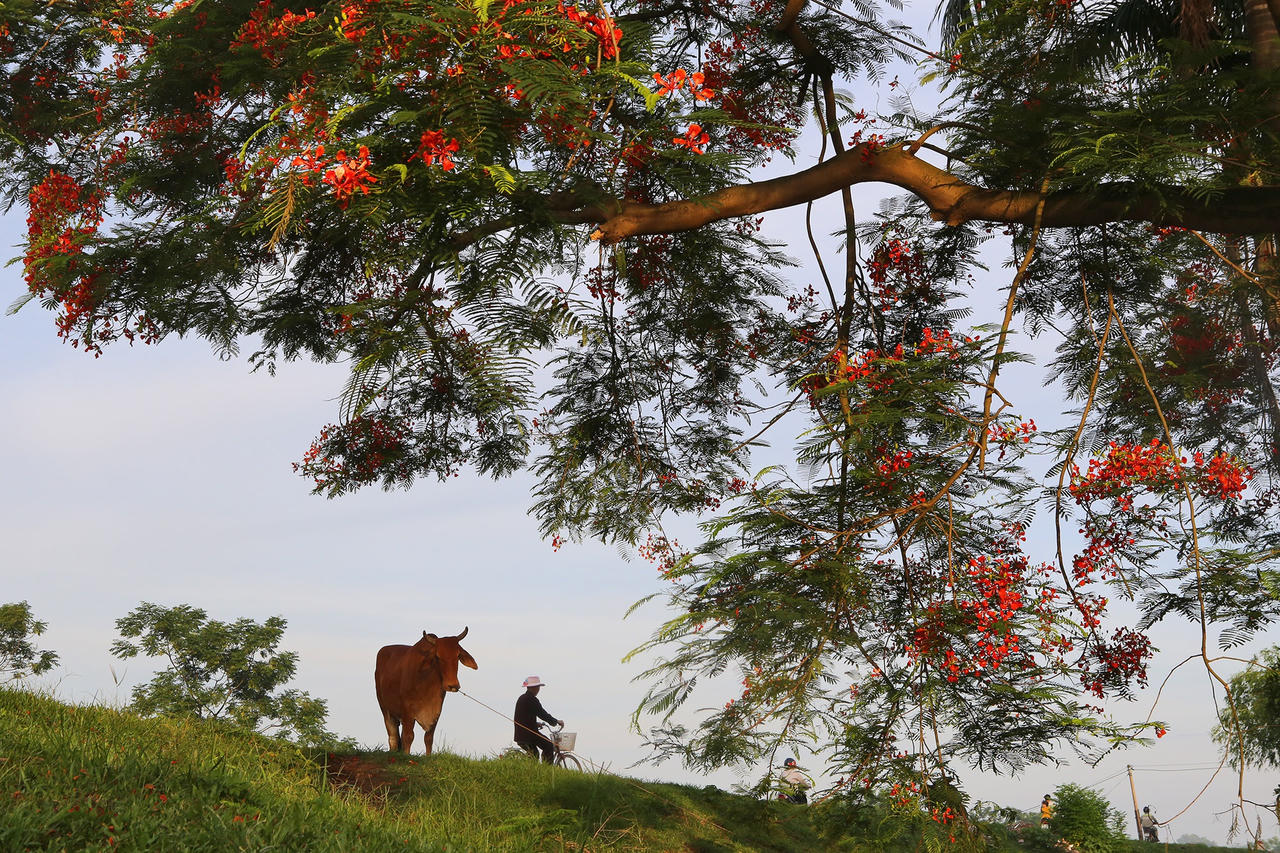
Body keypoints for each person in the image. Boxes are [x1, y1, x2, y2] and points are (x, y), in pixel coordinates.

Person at [513, 675, 563, 764]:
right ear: (534, 688)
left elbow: (523, 717)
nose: (538, 689)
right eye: (538, 687)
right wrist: (556, 721)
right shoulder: (531, 699)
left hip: (521, 734)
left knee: (534, 754)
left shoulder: (522, 698)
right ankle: (546, 770)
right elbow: (542, 714)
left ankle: (536, 771)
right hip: (529, 734)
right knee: (548, 746)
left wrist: (535, 723)